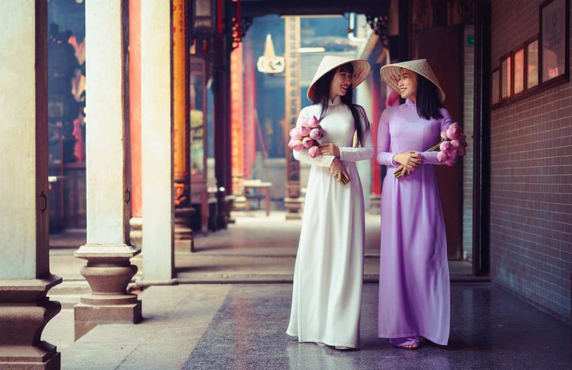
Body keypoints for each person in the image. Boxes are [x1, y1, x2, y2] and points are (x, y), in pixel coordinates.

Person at [286, 56, 373, 350]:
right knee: (318, 250)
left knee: (345, 252)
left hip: (348, 189)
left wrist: (341, 152)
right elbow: (299, 153)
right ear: (328, 78)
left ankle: (341, 332)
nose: (347, 81)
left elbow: (369, 151)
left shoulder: (357, 112)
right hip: (322, 187)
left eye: (349, 76)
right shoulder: (309, 113)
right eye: (342, 76)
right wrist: (328, 160)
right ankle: (314, 325)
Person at [377, 59, 453, 349]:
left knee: (426, 252)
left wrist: (418, 157)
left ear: (423, 81)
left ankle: (430, 325)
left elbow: (448, 153)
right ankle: (403, 328)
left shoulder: (441, 115)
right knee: (398, 256)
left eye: (406, 77)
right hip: (396, 189)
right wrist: (398, 158)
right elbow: (380, 155)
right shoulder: (390, 113)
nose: (400, 82)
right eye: (398, 78)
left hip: (424, 190)